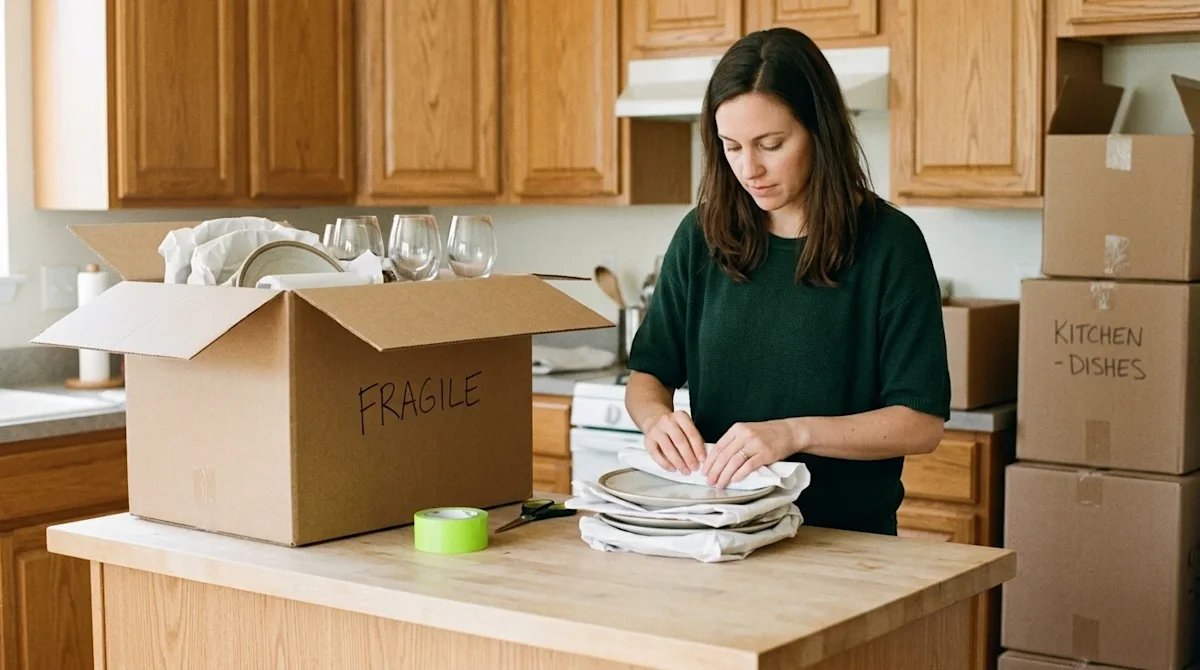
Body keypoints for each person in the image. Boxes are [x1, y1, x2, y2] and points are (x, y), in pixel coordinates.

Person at [623, 27, 950, 536]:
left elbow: (921, 422)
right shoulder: (702, 235)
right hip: (719, 532)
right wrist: (655, 421)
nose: (749, 169)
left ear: (820, 130)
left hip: (846, 543)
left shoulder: (891, 244)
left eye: (771, 144)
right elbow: (648, 376)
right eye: (731, 147)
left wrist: (793, 434)